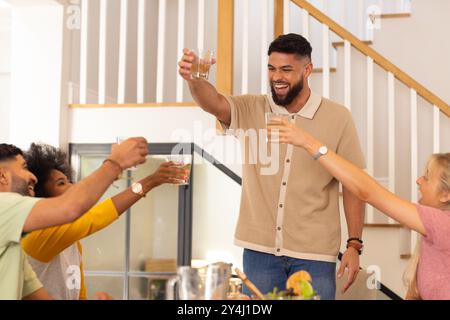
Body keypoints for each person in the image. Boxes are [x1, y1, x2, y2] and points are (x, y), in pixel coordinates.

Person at [178, 33, 366, 299]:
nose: (277, 76)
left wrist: (354, 245)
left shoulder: (338, 117)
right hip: (259, 254)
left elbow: (353, 183)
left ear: (307, 69)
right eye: (272, 68)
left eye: (286, 70)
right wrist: (195, 79)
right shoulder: (252, 107)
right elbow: (214, 103)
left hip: (315, 254)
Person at [273, 119, 450, 300]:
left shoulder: (443, 224)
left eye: (427, 177)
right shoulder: (430, 234)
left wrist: (310, 143)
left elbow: (368, 191)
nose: (419, 181)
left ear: (445, 195)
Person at [21, 143, 188, 300]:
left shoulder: (73, 243)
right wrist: (150, 181)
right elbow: (95, 218)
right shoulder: (35, 236)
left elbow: (79, 296)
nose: (73, 187)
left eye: (69, 180)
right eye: (61, 183)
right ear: (43, 197)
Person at [0, 138, 147, 299]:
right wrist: (116, 163)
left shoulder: (15, 250)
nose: (32, 177)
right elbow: (76, 209)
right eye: (24, 167)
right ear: (2, 176)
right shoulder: (6, 209)